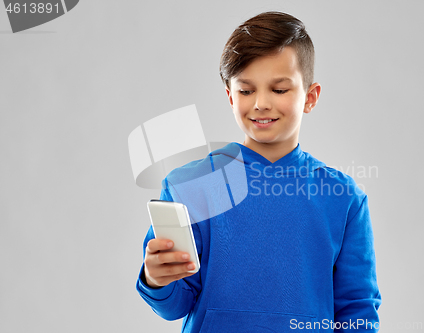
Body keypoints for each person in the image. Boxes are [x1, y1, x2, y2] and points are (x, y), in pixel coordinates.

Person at [136, 11, 381, 332]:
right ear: (229, 96)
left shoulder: (344, 197)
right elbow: (175, 305)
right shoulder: (189, 186)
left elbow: (358, 309)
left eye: (279, 89)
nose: (261, 103)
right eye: (246, 90)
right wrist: (155, 279)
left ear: (310, 97)